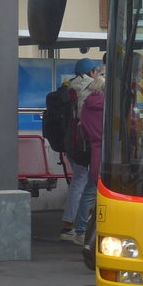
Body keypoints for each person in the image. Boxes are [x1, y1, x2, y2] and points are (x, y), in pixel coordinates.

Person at [59, 57, 102, 241]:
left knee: (79, 181)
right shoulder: (91, 89)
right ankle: (75, 228)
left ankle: (69, 225)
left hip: (72, 141)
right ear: (91, 72)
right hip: (85, 143)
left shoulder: (69, 87)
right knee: (84, 183)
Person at [74, 74, 105, 249]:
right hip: (109, 155)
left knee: (89, 192)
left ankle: (81, 229)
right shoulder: (110, 105)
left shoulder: (86, 106)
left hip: (94, 153)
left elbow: (84, 130)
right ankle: (94, 233)